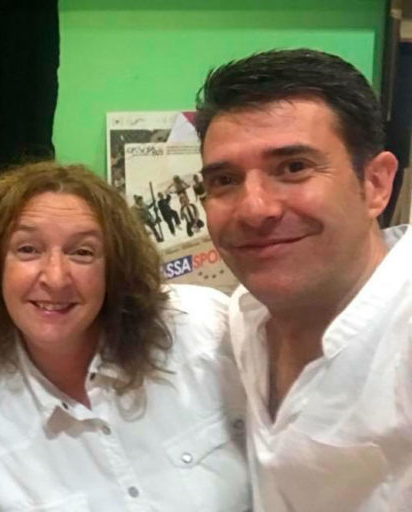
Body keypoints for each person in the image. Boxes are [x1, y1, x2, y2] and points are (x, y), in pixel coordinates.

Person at [0, 162, 249, 511]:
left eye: (82, 252)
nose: (56, 278)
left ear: (114, 268)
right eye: (28, 249)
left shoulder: (204, 327)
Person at [195, 48, 405, 511]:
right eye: (225, 180)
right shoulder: (242, 318)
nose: (255, 209)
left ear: (375, 184)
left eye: (293, 168)